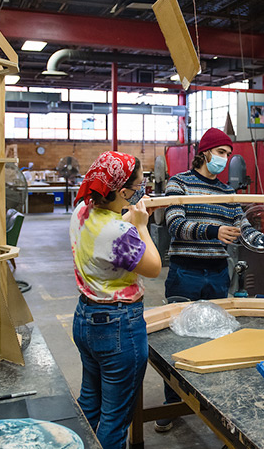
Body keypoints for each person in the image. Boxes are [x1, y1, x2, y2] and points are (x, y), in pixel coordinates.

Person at [155, 127, 264, 432]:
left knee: (212, 336)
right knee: (177, 339)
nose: (225, 160)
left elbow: (241, 226)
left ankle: (206, 397)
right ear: (205, 153)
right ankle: (172, 402)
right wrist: (214, 231)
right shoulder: (179, 184)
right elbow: (175, 224)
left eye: (228, 154)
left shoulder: (227, 193)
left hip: (216, 273)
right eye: (221, 153)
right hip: (185, 271)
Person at [69, 151, 162, 449]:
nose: (140, 191)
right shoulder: (120, 232)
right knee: (115, 419)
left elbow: (107, 226)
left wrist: (127, 218)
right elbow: (154, 267)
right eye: (137, 186)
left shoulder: (81, 212)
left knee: (90, 403)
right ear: (123, 192)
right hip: (118, 327)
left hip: (85, 318)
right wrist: (142, 226)